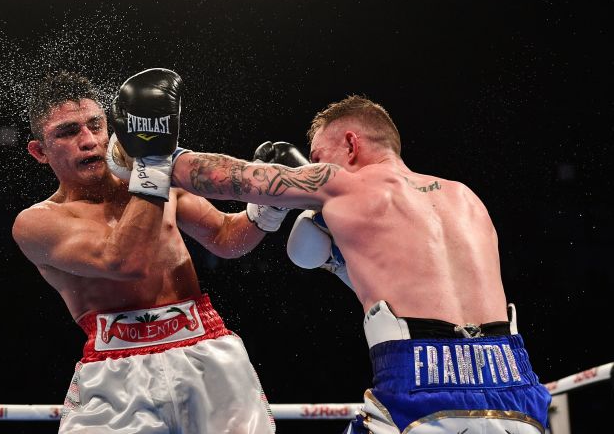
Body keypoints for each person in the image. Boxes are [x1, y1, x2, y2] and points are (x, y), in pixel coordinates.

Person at [156, 90, 552, 433]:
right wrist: (337, 260)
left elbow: (233, 177)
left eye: (315, 156)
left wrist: (148, 150)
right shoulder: (465, 197)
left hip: (419, 383)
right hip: (517, 384)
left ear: (350, 144)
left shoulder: (340, 182)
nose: (309, 167)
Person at [11, 69, 284, 433]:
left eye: (95, 125)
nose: (88, 140)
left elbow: (225, 238)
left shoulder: (153, 178)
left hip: (206, 350)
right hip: (114, 373)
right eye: (67, 132)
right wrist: (153, 165)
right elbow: (123, 260)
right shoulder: (37, 223)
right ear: (39, 151)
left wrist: (268, 210)